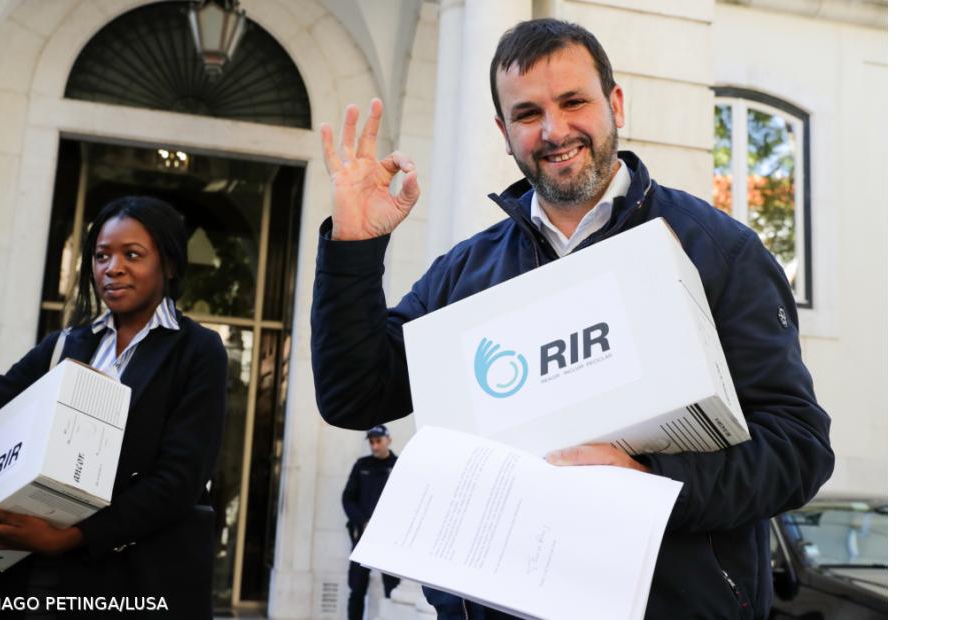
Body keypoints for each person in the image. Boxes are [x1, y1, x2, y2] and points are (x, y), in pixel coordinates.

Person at [310, 18, 834, 620]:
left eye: (574, 101)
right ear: (504, 133)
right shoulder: (463, 273)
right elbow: (353, 396)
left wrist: (649, 480)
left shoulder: (720, 253)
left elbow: (798, 448)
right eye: (528, 113)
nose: (555, 130)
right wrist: (353, 246)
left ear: (614, 104)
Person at [0, 196, 228, 618]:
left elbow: (180, 480)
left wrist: (71, 536)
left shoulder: (198, 350)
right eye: (102, 256)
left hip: (135, 579)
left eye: (132, 255)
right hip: (31, 574)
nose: (112, 268)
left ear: (170, 266)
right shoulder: (64, 346)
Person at [341, 425, 401, 620]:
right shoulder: (362, 465)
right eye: (371, 442)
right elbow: (347, 498)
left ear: (388, 440)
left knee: (392, 591)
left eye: (378, 441)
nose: (374, 446)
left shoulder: (399, 465)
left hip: (388, 540)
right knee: (357, 588)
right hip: (363, 537)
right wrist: (362, 522)